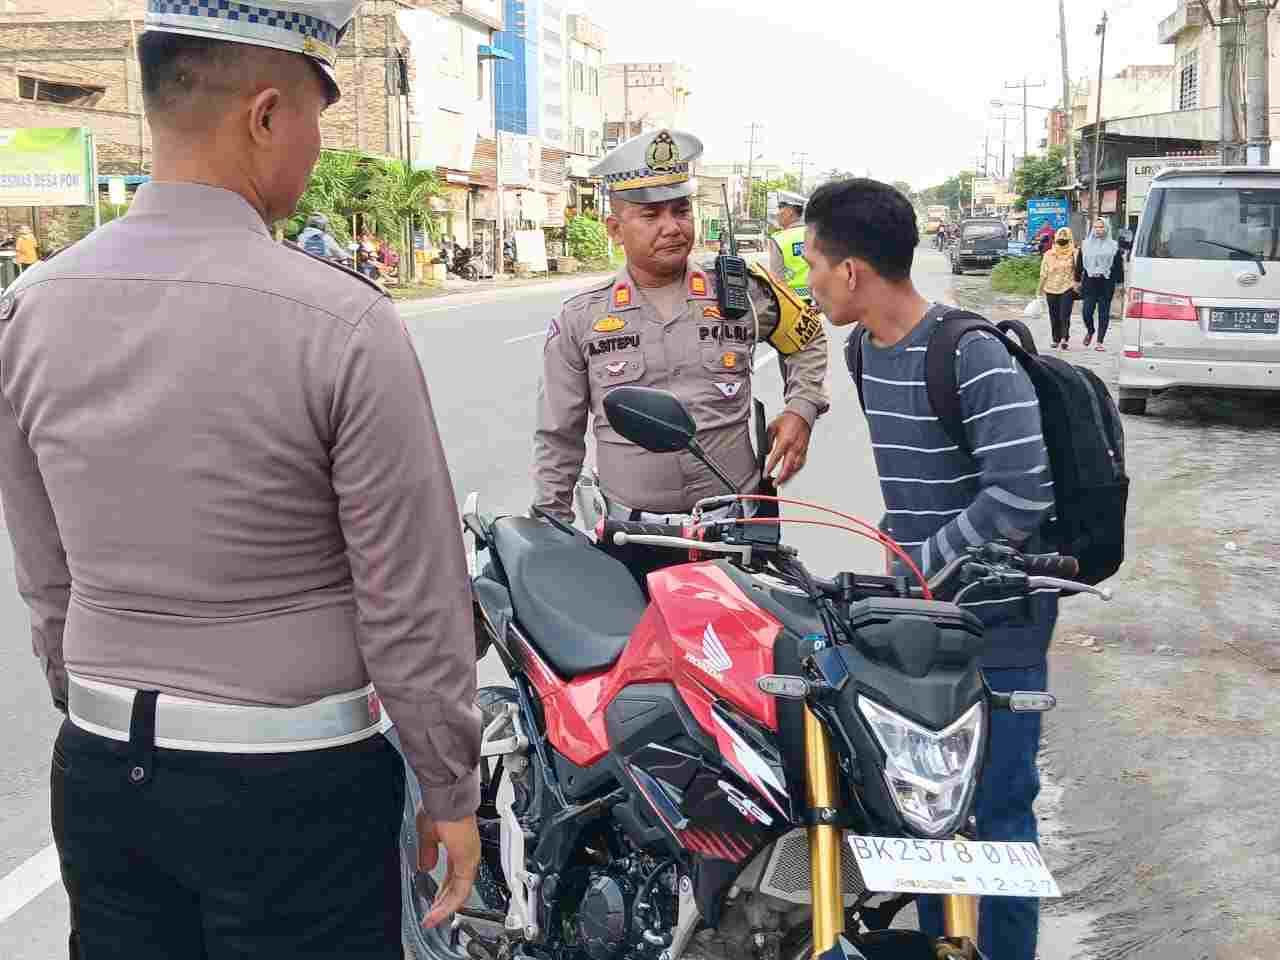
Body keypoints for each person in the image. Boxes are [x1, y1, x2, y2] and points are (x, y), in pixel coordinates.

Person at [0, 6, 482, 957]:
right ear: (265, 116)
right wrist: (449, 787)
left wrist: (87, 689)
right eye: (312, 116)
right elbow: (411, 601)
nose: (313, 146)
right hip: (292, 784)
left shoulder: (30, 308)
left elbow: (45, 569)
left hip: (101, 772)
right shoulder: (341, 323)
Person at [803, 178, 1057, 960]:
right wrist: (901, 567)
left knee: (1001, 808)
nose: (806, 280)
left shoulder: (969, 352)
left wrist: (924, 563)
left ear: (852, 271)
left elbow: (1022, 491)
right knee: (921, 806)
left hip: (1001, 621)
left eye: (810, 259)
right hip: (921, 622)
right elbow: (913, 490)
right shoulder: (861, 350)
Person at [533, 128, 829, 584]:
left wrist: (802, 409)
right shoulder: (582, 317)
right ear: (615, 229)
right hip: (630, 543)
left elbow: (807, 338)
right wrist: (549, 535)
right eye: (650, 215)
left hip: (732, 536)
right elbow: (558, 437)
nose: (671, 227)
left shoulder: (741, 289)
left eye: (681, 210)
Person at [1075, 218, 1124, 351]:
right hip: (1090, 282)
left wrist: (1120, 285)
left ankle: (1099, 342)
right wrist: (1077, 281)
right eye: (1096, 227)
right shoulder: (1085, 244)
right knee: (1086, 312)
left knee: (1103, 313)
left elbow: (1118, 266)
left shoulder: (1113, 246)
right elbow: (1079, 264)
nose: (1098, 230)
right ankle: (1090, 331)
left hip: (1106, 282)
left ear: (1106, 229)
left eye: (1101, 227)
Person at [1038, 226, 1079, 349]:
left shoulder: (1074, 253)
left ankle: (1064, 338)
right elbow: (1043, 273)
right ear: (1055, 238)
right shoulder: (1048, 254)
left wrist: (1078, 284)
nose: (1062, 240)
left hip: (1067, 287)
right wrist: (1039, 290)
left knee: (1064, 314)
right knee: (1054, 314)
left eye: (1065, 238)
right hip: (1050, 288)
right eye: (1060, 237)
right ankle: (1055, 339)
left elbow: (1079, 270)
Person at [769, 189, 812, 302]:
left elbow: (777, 280)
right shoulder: (815, 233)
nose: (777, 213)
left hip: (791, 302)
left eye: (780, 208)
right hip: (817, 301)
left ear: (789, 212)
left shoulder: (779, 239)